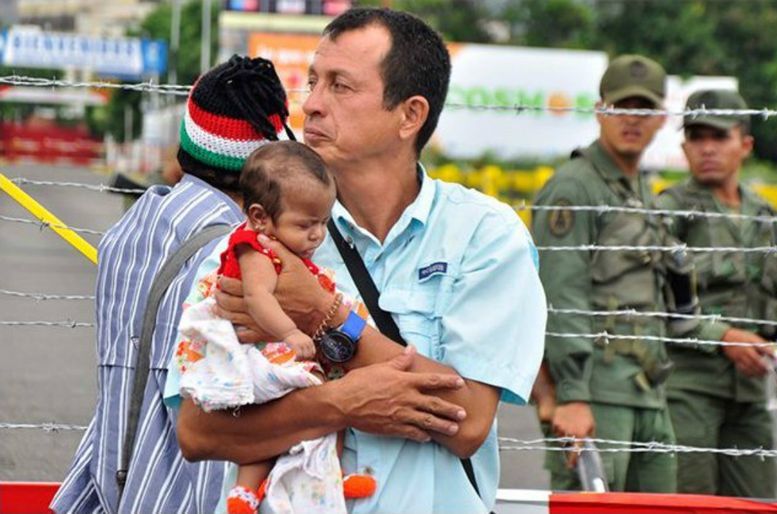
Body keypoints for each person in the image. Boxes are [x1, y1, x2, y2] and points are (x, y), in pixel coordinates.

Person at [167, 7, 546, 514]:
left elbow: (469, 421)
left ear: (410, 115)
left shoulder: (484, 237)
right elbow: (197, 431)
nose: (312, 106)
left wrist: (325, 317)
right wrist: (339, 403)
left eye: (340, 87)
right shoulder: (252, 239)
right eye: (313, 82)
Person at [51, 55, 298, 514]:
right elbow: (218, 407)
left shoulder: (129, 231)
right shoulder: (236, 258)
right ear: (267, 167)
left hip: (113, 485)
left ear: (186, 143)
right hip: (182, 498)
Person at [530, 55, 732, 493]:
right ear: (601, 110)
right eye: (622, 108)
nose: (632, 121)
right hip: (597, 394)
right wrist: (572, 394)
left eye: (643, 110)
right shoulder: (575, 188)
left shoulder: (639, 187)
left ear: (661, 117)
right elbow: (560, 297)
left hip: (647, 391)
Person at [175, 140, 374, 513]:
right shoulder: (257, 249)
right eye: (305, 224)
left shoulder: (280, 247)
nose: (317, 234)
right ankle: (247, 489)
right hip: (259, 355)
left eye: (323, 223)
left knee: (318, 413)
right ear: (260, 215)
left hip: (271, 351)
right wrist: (291, 333)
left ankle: (317, 478)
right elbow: (259, 298)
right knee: (293, 414)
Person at [656, 89, 777, 498]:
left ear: (745, 144)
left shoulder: (763, 214)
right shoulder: (668, 210)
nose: (707, 148)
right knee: (690, 503)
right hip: (688, 389)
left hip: (750, 393)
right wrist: (725, 338)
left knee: (756, 502)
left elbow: (775, 302)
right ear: (684, 147)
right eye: (697, 137)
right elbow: (654, 302)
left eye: (719, 136)